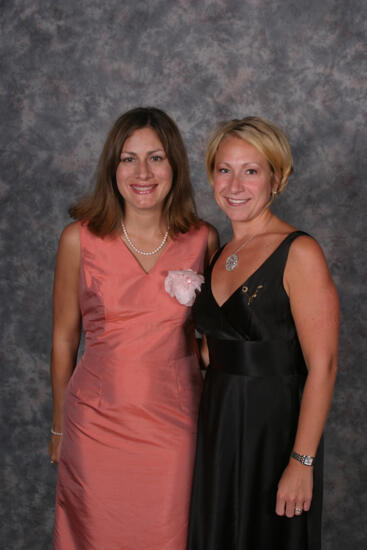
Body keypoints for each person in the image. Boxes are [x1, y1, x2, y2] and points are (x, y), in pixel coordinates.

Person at [48, 106, 218, 550]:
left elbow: (215, 338)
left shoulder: (203, 239)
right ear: (113, 168)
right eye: (129, 158)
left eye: (156, 157)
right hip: (95, 427)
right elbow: (65, 338)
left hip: (175, 427)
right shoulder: (78, 240)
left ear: (174, 167)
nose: (143, 172)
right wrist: (59, 425)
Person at [187, 116, 339, 550]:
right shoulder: (219, 252)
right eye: (224, 170)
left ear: (277, 178)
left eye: (250, 171)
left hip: (274, 431)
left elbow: (324, 366)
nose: (234, 185)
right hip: (217, 425)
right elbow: (213, 353)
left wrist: (301, 460)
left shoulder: (300, 251)